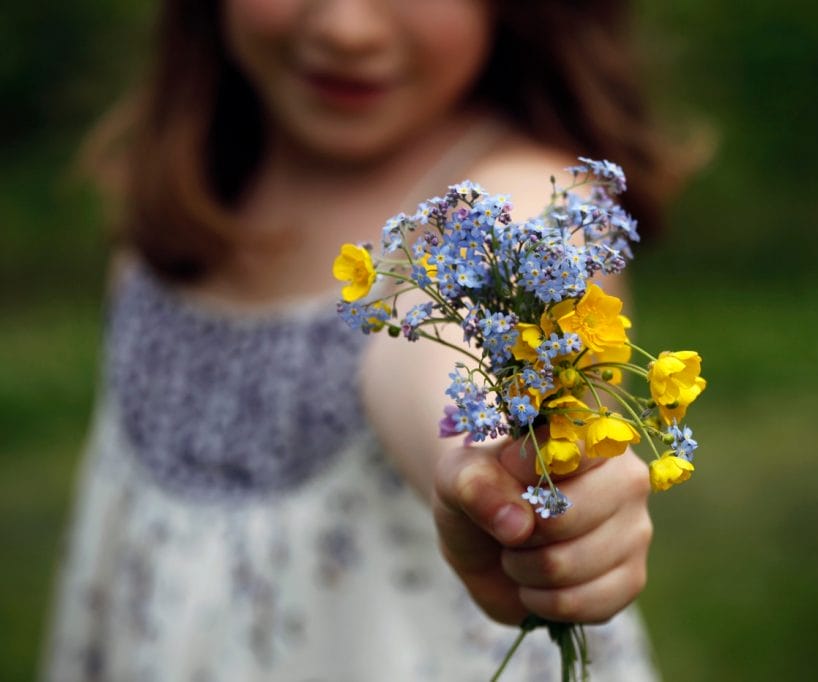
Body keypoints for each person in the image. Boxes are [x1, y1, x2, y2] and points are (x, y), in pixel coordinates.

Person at [44, 0, 684, 679]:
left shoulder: (530, 202)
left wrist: (491, 475)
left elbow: (448, 357)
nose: (348, 29)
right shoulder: (179, 203)